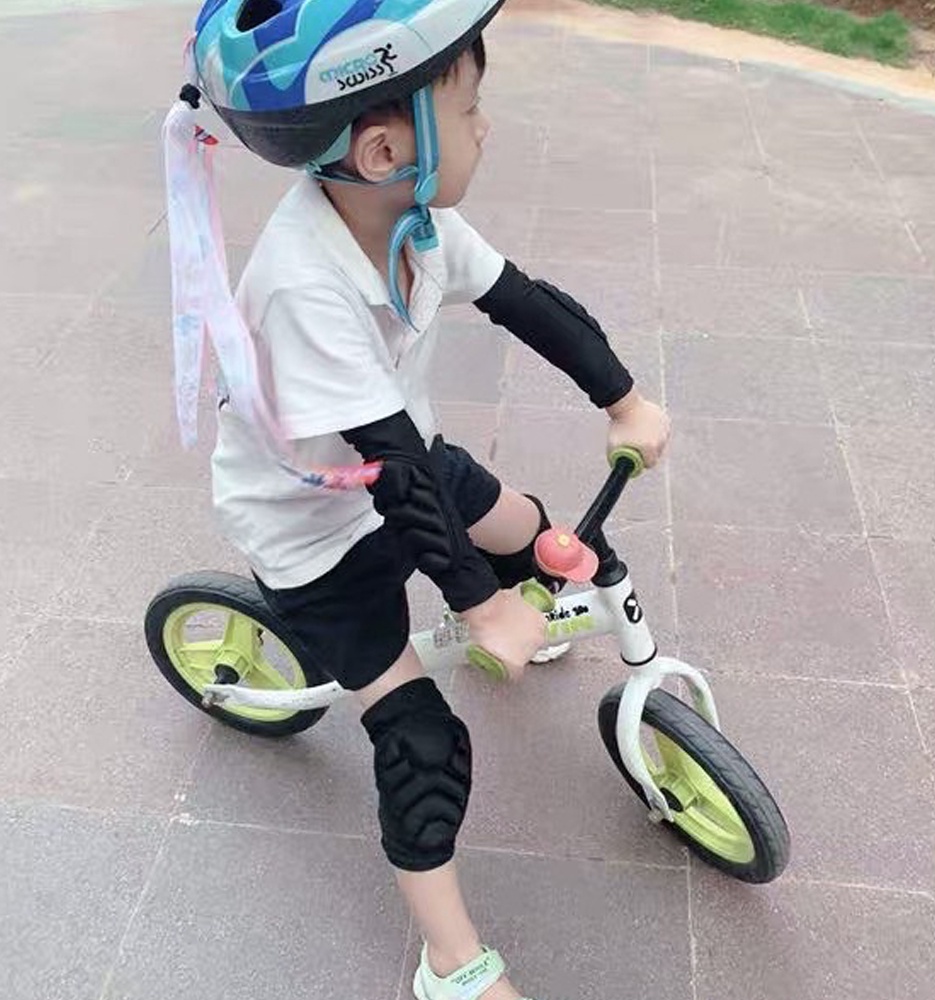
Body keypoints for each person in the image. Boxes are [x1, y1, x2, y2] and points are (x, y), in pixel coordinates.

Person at [165, 1, 670, 997]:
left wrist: (622, 398)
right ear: (387, 148)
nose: (486, 126)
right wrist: (481, 606)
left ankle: (516, 606)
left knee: (531, 530)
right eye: (469, 109)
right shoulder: (304, 282)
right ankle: (450, 961)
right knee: (425, 746)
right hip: (315, 534)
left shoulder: (414, 220)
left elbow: (524, 300)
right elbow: (390, 469)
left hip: (401, 462)